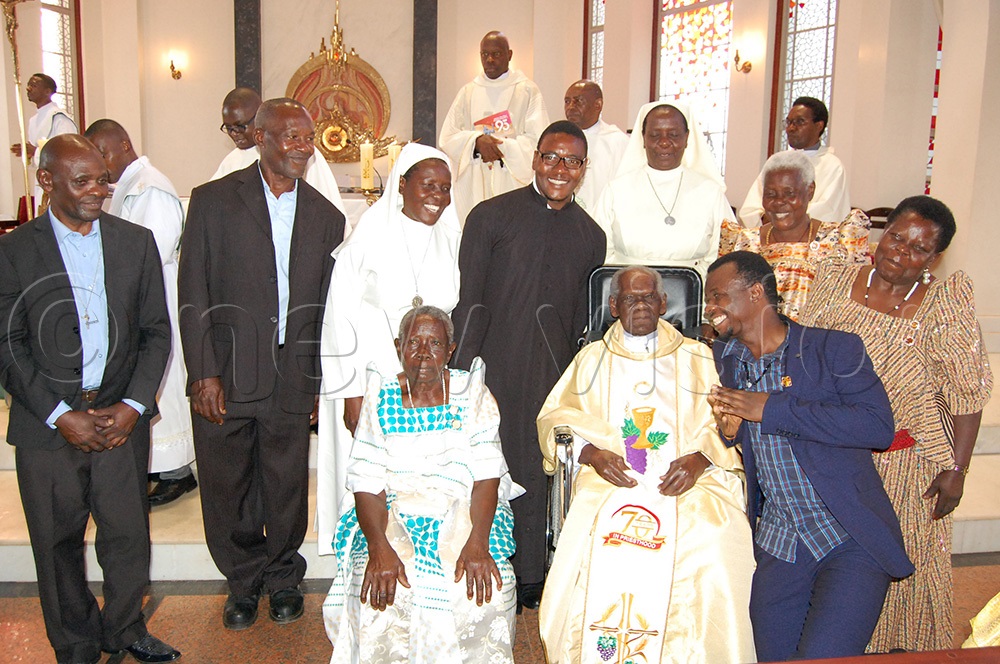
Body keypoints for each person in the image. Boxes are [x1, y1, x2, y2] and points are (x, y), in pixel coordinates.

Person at [0, 135, 178, 663]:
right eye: (83, 181)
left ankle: (124, 628)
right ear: (47, 181)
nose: (99, 190)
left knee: (127, 537)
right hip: (47, 421)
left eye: (103, 178)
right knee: (56, 543)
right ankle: (74, 640)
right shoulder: (14, 250)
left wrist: (134, 406)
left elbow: (156, 333)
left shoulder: (134, 241)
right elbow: (7, 344)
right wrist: (60, 415)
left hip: (120, 416)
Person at [179, 98, 345, 631]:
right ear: (260, 138)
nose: (303, 145)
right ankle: (243, 582)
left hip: (291, 373)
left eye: (308, 136)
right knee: (228, 484)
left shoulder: (327, 215)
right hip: (226, 371)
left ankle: (283, 579)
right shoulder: (212, 201)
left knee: (286, 483)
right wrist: (202, 371)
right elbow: (192, 288)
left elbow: (327, 307)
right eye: (292, 136)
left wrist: (320, 381)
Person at [800, 196, 993, 653]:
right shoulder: (834, 277)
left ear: (935, 258)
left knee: (898, 576)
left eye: (918, 249)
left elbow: (968, 394)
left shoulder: (943, 305)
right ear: (882, 235)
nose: (900, 253)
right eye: (896, 237)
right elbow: (803, 352)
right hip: (829, 455)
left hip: (903, 468)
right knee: (826, 573)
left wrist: (958, 470)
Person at [536, 266, 755, 663]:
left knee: (715, 542)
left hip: (689, 482)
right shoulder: (592, 358)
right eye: (630, 299)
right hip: (613, 480)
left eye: (649, 297)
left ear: (664, 302)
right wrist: (592, 454)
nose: (640, 306)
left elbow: (723, 419)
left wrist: (701, 457)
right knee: (597, 540)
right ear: (614, 305)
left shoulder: (696, 355)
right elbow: (556, 417)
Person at [705, 251, 913, 661]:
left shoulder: (833, 349)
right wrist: (729, 434)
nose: (709, 308)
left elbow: (877, 427)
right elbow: (731, 435)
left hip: (847, 535)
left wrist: (771, 408)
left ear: (755, 292)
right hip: (780, 542)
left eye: (717, 296)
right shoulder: (722, 361)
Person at [452, 120, 606, 610]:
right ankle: (484, 558)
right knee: (492, 462)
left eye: (572, 161)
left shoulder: (592, 236)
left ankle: (533, 573)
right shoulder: (490, 216)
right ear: (536, 159)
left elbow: (586, 320)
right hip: (495, 362)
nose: (560, 169)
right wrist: (460, 374)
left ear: (584, 169)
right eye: (551, 158)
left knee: (543, 469)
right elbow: (470, 299)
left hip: (554, 371)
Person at [323, 306, 519, 663]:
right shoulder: (379, 396)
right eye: (414, 342)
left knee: (483, 582)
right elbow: (367, 483)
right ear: (398, 347)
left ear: (451, 349)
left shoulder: (471, 392)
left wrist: (478, 543)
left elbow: (487, 476)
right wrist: (379, 545)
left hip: (462, 509)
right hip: (391, 512)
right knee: (383, 582)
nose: (424, 353)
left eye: (435, 343)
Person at [317, 143, 461, 554]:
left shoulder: (451, 240)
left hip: (427, 378)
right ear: (402, 185)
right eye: (428, 185)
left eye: (446, 188)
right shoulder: (369, 236)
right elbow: (338, 317)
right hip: (370, 371)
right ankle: (363, 556)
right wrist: (349, 391)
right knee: (368, 472)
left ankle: (414, 554)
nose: (438, 196)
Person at [84, 119, 196, 507]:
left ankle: (176, 470)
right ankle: (160, 465)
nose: (99, 165)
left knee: (164, 381)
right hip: (136, 294)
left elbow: (155, 245)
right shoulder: (129, 185)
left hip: (156, 293)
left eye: (101, 153)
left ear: (122, 145)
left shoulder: (150, 186)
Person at [721, 150, 870, 321]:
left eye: (789, 193)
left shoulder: (838, 241)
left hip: (817, 344)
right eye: (770, 194)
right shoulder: (744, 242)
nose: (779, 202)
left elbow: (855, 308)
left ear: (810, 191)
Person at [595, 102, 736, 282]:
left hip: (695, 293)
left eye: (674, 135)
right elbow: (599, 250)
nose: (664, 142)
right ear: (643, 139)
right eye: (654, 135)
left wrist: (690, 282)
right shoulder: (616, 190)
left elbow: (725, 251)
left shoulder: (710, 192)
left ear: (686, 138)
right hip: (628, 292)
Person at [439, 30, 550, 223]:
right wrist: (476, 142)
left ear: (509, 55)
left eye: (496, 54)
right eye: (484, 54)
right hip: (474, 184)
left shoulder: (526, 90)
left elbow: (539, 141)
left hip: (512, 184)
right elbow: (447, 137)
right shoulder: (468, 92)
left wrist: (501, 147)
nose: (490, 59)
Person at [210, 87, 347, 219]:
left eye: (240, 126)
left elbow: (327, 210)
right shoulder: (233, 159)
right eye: (229, 128)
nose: (235, 134)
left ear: (259, 118)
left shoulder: (300, 153)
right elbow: (213, 207)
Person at [739, 96, 850, 228]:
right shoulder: (777, 163)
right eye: (789, 122)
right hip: (769, 240)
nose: (790, 128)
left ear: (819, 126)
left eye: (799, 122)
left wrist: (779, 216)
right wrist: (770, 217)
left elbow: (828, 211)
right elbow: (751, 209)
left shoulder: (832, 166)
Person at [10, 73, 78, 207]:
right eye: (28, 85)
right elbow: (37, 158)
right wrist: (29, 154)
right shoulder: (33, 120)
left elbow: (69, 152)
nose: (28, 88)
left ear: (47, 92)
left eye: (34, 85)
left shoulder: (59, 118)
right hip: (42, 182)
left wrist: (35, 151)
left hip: (58, 184)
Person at [562, 79, 628, 213]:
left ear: (598, 104)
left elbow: (625, 188)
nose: (571, 107)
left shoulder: (616, 141)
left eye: (578, 101)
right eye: (567, 101)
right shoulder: (559, 139)